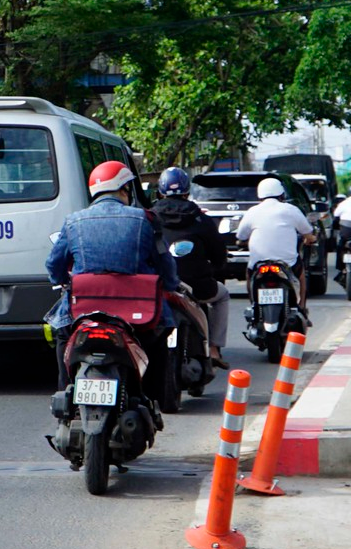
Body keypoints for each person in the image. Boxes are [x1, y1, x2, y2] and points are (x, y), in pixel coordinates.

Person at [47, 160, 181, 404]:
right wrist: (170, 285)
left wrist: (61, 281)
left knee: (62, 336)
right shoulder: (145, 220)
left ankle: (64, 395)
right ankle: (153, 399)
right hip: (139, 314)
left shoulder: (73, 221)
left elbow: (54, 265)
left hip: (82, 310)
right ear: (124, 190)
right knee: (162, 335)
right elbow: (165, 265)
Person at [150, 166, 230, 367]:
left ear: (160, 191)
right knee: (223, 296)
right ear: (187, 191)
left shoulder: (148, 218)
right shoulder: (201, 219)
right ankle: (213, 349)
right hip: (198, 287)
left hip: (157, 287)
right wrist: (214, 268)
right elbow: (219, 255)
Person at [237, 176, 316, 302]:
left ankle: (253, 305)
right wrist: (310, 239)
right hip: (288, 263)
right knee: (301, 277)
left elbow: (241, 236)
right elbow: (307, 232)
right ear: (282, 194)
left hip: (258, 263)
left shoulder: (252, 211)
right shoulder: (291, 209)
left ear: (260, 195)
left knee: (249, 275)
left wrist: (243, 242)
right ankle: (301, 307)